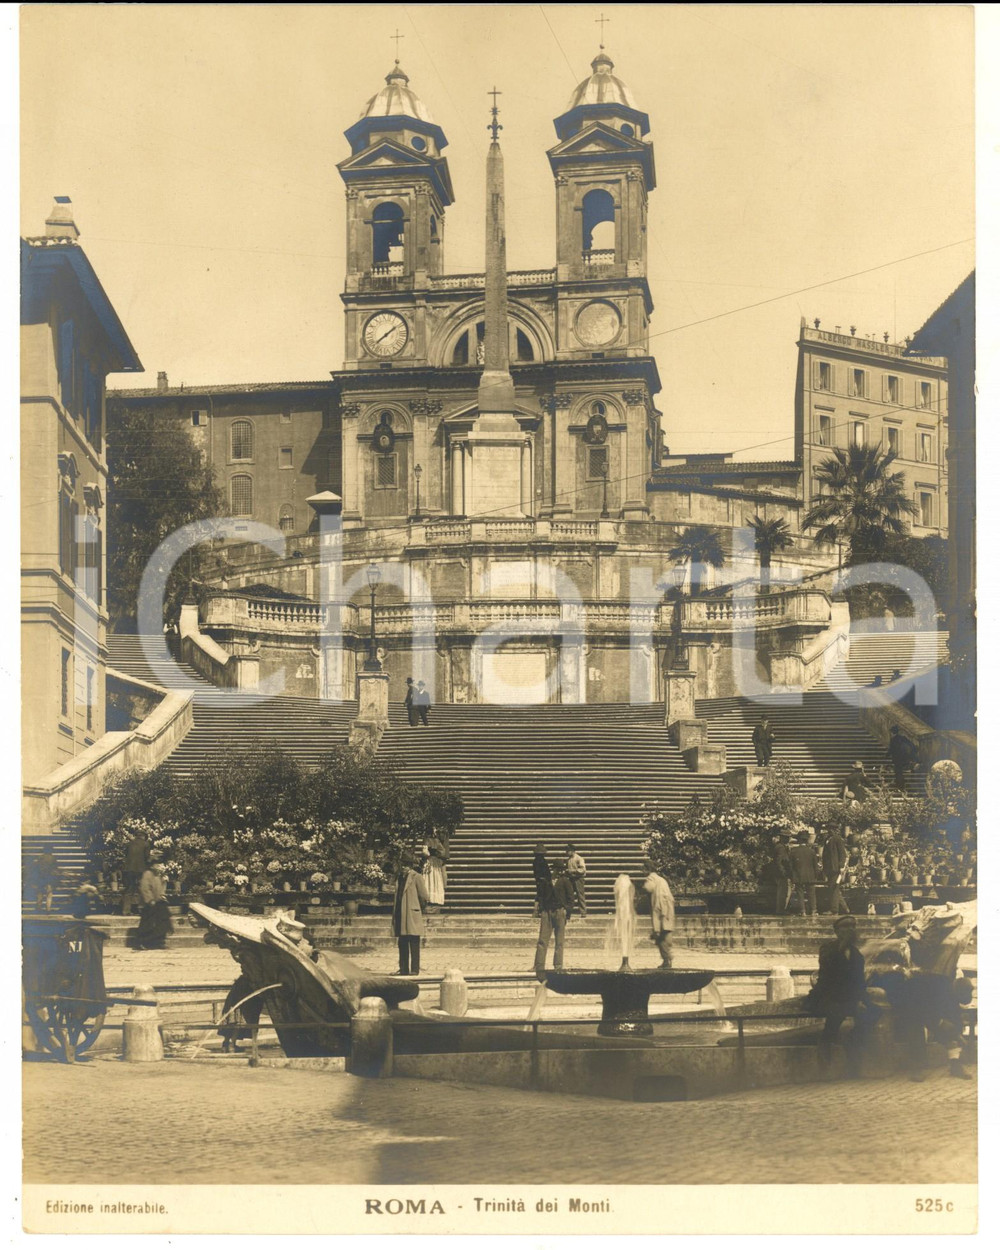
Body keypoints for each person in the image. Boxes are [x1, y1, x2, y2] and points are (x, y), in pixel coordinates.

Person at [804, 915, 877, 1076]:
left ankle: (853, 1040)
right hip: (827, 995)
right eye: (845, 927)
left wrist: (862, 1000)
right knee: (838, 1010)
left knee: (874, 1012)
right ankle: (826, 1040)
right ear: (837, 932)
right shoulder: (828, 949)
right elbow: (827, 978)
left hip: (848, 998)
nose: (850, 930)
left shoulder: (857, 955)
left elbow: (859, 982)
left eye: (852, 927)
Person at [534, 859, 574, 981]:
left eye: (560, 870)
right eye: (557, 869)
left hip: (559, 911)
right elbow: (540, 895)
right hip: (547, 912)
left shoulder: (565, 881)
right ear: (553, 870)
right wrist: (540, 909)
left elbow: (571, 898)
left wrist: (567, 911)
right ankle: (539, 965)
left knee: (559, 941)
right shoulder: (546, 881)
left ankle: (558, 965)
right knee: (542, 940)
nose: (559, 872)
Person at [391, 853, 429, 975]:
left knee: (413, 941)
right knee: (402, 942)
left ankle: (414, 969)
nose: (403, 867)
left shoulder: (416, 877)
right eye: (402, 865)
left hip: (412, 912)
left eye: (406, 865)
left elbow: (424, 895)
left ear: (410, 866)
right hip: (400, 912)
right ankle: (403, 969)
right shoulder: (399, 878)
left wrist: (419, 907)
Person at [218, 965, 263, 1054]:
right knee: (238, 1024)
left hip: (232, 1005)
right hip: (239, 1007)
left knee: (231, 1023)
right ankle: (231, 1045)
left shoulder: (241, 980)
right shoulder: (247, 981)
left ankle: (226, 1044)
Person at [640, 859, 676, 968]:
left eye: (643, 869)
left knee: (660, 937)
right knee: (665, 935)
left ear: (648, 869)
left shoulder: (651, 878)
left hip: (660, 910)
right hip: (668, 910)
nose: (642, 872)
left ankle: (667, 959)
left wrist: (638, 888)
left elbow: (648, 888)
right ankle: (667, 959)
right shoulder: (662, 879)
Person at [133, 857, 173, 949]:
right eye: (157, 864)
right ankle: (141, 942)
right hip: (149, 904)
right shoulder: (147, 874)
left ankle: (158, 941)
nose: (159, 866)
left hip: (158, 902)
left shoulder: (158, 875)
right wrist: (150, 900)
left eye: (160, 864)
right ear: (152, 866)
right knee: (147, 924)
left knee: (163, 920)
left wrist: (164, 885)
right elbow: (145, 888)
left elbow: (160, 889)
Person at [788, 828, 820, 916]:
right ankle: (813, 910)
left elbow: (790, 866)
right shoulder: (812, 851)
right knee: (811, 894)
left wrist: (792, 876)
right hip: (810, 876)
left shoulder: (793, 852)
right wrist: (815, 876)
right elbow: (815, 866)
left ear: (798, 840)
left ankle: (803, 911)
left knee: (800, 894)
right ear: (806, 840)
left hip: (798, 876)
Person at [821, 825, 851, 915]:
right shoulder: (827, 839)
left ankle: (834, 910)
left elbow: (842, 854)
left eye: (832, 829)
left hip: (835, 868)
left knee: (834, 888)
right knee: (833, 888)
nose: (830, 831)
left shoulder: (837, 839)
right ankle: (845, 908)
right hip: (829, 868)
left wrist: (841, 866)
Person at [122, 830, 151, 916]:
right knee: (142, 889)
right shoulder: (146, 844)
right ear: (144, 836)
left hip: (129, 869)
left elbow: (126, 855)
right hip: (140, 870)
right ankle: (142, 909)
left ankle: (126, 911)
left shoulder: (129, 844)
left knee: (129, 889)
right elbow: (147, 857)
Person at [760, 838, 793, 914]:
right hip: (780, 874)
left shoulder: (780, 846)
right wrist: (783, 872)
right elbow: (778, 861)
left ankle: (781, 909)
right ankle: (781, 910)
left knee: (782, 891)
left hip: (779, 872)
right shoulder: (781, 847)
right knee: (782, 891)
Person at [887, 725, 917, 792]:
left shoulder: (893, 740)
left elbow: (891, 750)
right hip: (904, 759)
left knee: (898, 773)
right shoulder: (902, 738)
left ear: (892, 732)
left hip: (897, 760)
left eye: (891, 732)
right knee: (900, 772)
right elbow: (911, 744)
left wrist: (886, 755)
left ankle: (900, 786)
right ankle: (902, 786)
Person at [422, 834, 448, 908]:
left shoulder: (427, 840)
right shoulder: (437, 841)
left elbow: (425, 852)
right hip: (434, 861)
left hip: (431, 860)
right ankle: (433, 898)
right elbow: (442, 852)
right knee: (434, 877)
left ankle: (430, 897)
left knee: (431, 877)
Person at [565, 843, 587, 917]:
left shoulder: (579, 858)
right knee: (569, 895)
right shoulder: (568, 860)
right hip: (571, 878)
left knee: (580, 895)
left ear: (572, 851)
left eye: (568, 851)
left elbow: (583, 870)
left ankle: (583, 912)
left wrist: (573, 871)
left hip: (578, 879)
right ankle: (568, 912)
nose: (566, 852)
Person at [532, 842, 552, 916]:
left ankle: (536, 911)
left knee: (539, 895)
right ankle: (540, 911)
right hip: (542, 881)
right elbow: (544, 872)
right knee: (542, 896)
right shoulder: (541, 861)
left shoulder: (536, 861)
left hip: (539, 880)